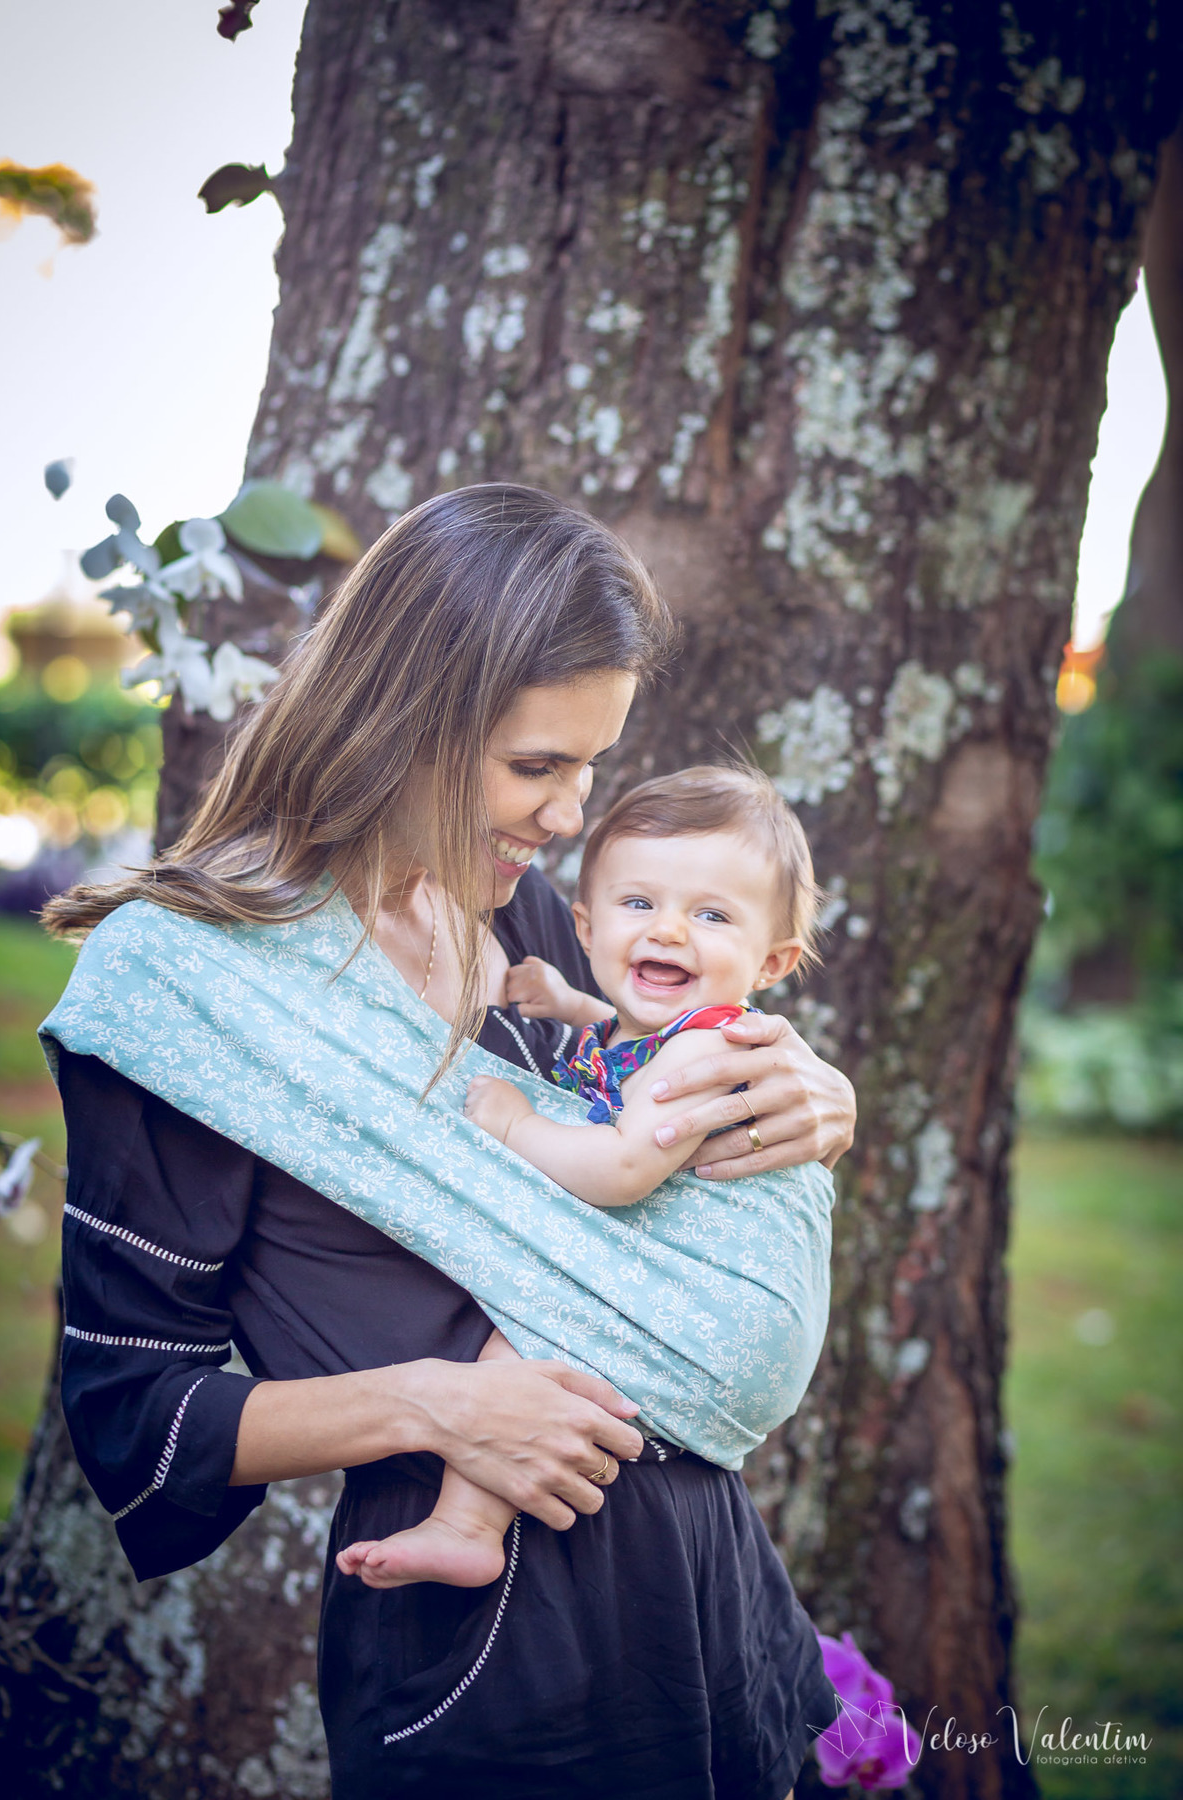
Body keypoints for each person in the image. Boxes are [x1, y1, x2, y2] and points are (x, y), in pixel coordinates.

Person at [42, 486, 856, 1799]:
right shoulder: (188, 993)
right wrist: (438, 1405)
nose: (567, 818)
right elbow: (137, 1415)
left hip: (705, 1592)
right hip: (488, 1652)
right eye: (537, 768)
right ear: (405, 721)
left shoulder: (527, 924)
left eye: (589, 768)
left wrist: (815, 1094)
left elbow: (654, 1098)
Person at [339, 763, 832, 1593]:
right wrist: (573, 1006)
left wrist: (514, 1125)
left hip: (721, 1318)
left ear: (773, 960)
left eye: (711, 915)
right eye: (639, 905)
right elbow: (627, 1052)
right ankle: (467, 1527)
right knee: (527, 1340)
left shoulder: (710, 1049)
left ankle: (467, 1526)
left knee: (528, 1339)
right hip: (734, 1328)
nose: (669, 931)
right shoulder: (672, 1033)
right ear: (586, 922)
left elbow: (625, 1166)